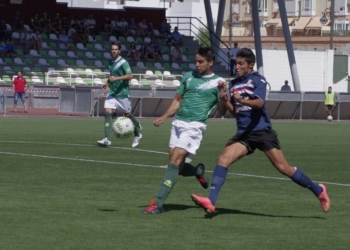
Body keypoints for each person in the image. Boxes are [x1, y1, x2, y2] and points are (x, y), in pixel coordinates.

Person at [190, 48, 331, 214]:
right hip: (244, 134)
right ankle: (211, 201)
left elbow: (259, 103)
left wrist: (242, 99)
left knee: (283, 167)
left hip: (262, 131)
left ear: (251, 65)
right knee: (223, 159)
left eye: (241, 64)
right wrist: (225, 100)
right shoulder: (234, 83)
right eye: (236, 63)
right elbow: (235, 112)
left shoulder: (258, 80)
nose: (237, 66)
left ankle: (319, 191)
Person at [141, 47, 226, 214]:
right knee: (176, 166)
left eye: (201, 62)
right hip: (178, 124)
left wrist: (223, 97)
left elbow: (222, 111)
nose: (197, 65)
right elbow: (177, 101)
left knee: (174, 162)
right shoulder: (188, 77)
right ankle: (198, 171)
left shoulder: (219, 82)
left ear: (211, 62)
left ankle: (158, 204)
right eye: (196, 61)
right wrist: (164, 116)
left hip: (195, 126)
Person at [97, 41, 142, 148]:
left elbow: (130, 76)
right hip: (113, 93)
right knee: (107, 112)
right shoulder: (110, 63)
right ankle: (107, 139)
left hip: (122, 94)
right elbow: (112, 79)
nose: (114, 51)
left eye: (116, 49)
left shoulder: (123, 62)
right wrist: (106, 85)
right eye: (112, 49)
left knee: (128, 115)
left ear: (119, 51)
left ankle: (137, 133)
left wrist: (116, 78)